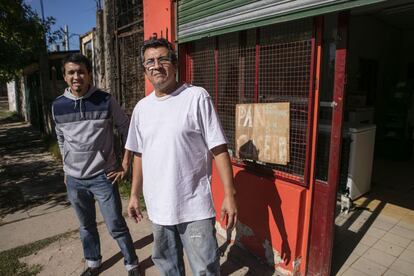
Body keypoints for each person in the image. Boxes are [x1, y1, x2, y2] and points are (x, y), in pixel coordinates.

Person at [126, 38, 238, 275]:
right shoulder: (141, 109)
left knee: (205, 269)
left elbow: (218, 148)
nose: (156, 66)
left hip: (193, 206)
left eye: (163, 59)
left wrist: (229, 194)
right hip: (158, 207)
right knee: (168, 267)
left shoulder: (196, 97)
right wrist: (134, 194)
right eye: (150, 62)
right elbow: (139, 154)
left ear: (175, 64)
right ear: (145, 69)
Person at [51, 53, 140, 276]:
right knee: (86, 226)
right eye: (71, 72)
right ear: (65, 77)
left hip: (103, 177)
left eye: (81, 71)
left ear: (89, 74)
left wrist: (125, 162)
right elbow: (61, 138)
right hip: (74, 179)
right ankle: (93, 263)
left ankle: (132, 264)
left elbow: (127, 128)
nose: (76, 76)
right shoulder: (58, 106)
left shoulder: (105, 100)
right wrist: (65, 168)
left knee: (115, 225)